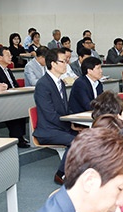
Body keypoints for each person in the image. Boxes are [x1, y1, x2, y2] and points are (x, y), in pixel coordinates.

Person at [33, 48, 77, 185]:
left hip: (60, 126)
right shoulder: (43, 85)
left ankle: (77, 171)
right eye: (63, 61)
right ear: (53, 63)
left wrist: (74, 122)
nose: (66, 64)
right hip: (48, 129)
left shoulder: (60, 82)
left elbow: (65, 109)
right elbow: (50, 115)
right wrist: (69, 124)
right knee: (76, 141)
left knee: (88, 136)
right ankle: (60, 174)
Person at [0, 46, 30, 147]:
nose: (11, 57)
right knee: (14, 107)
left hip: (12, 96)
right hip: (2, 99)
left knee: (22, 105)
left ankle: (20, 136)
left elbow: (15, 85)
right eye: (8, 55)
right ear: (0, 57)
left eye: (11, 55)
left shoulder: (7, 70)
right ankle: (17, 137)